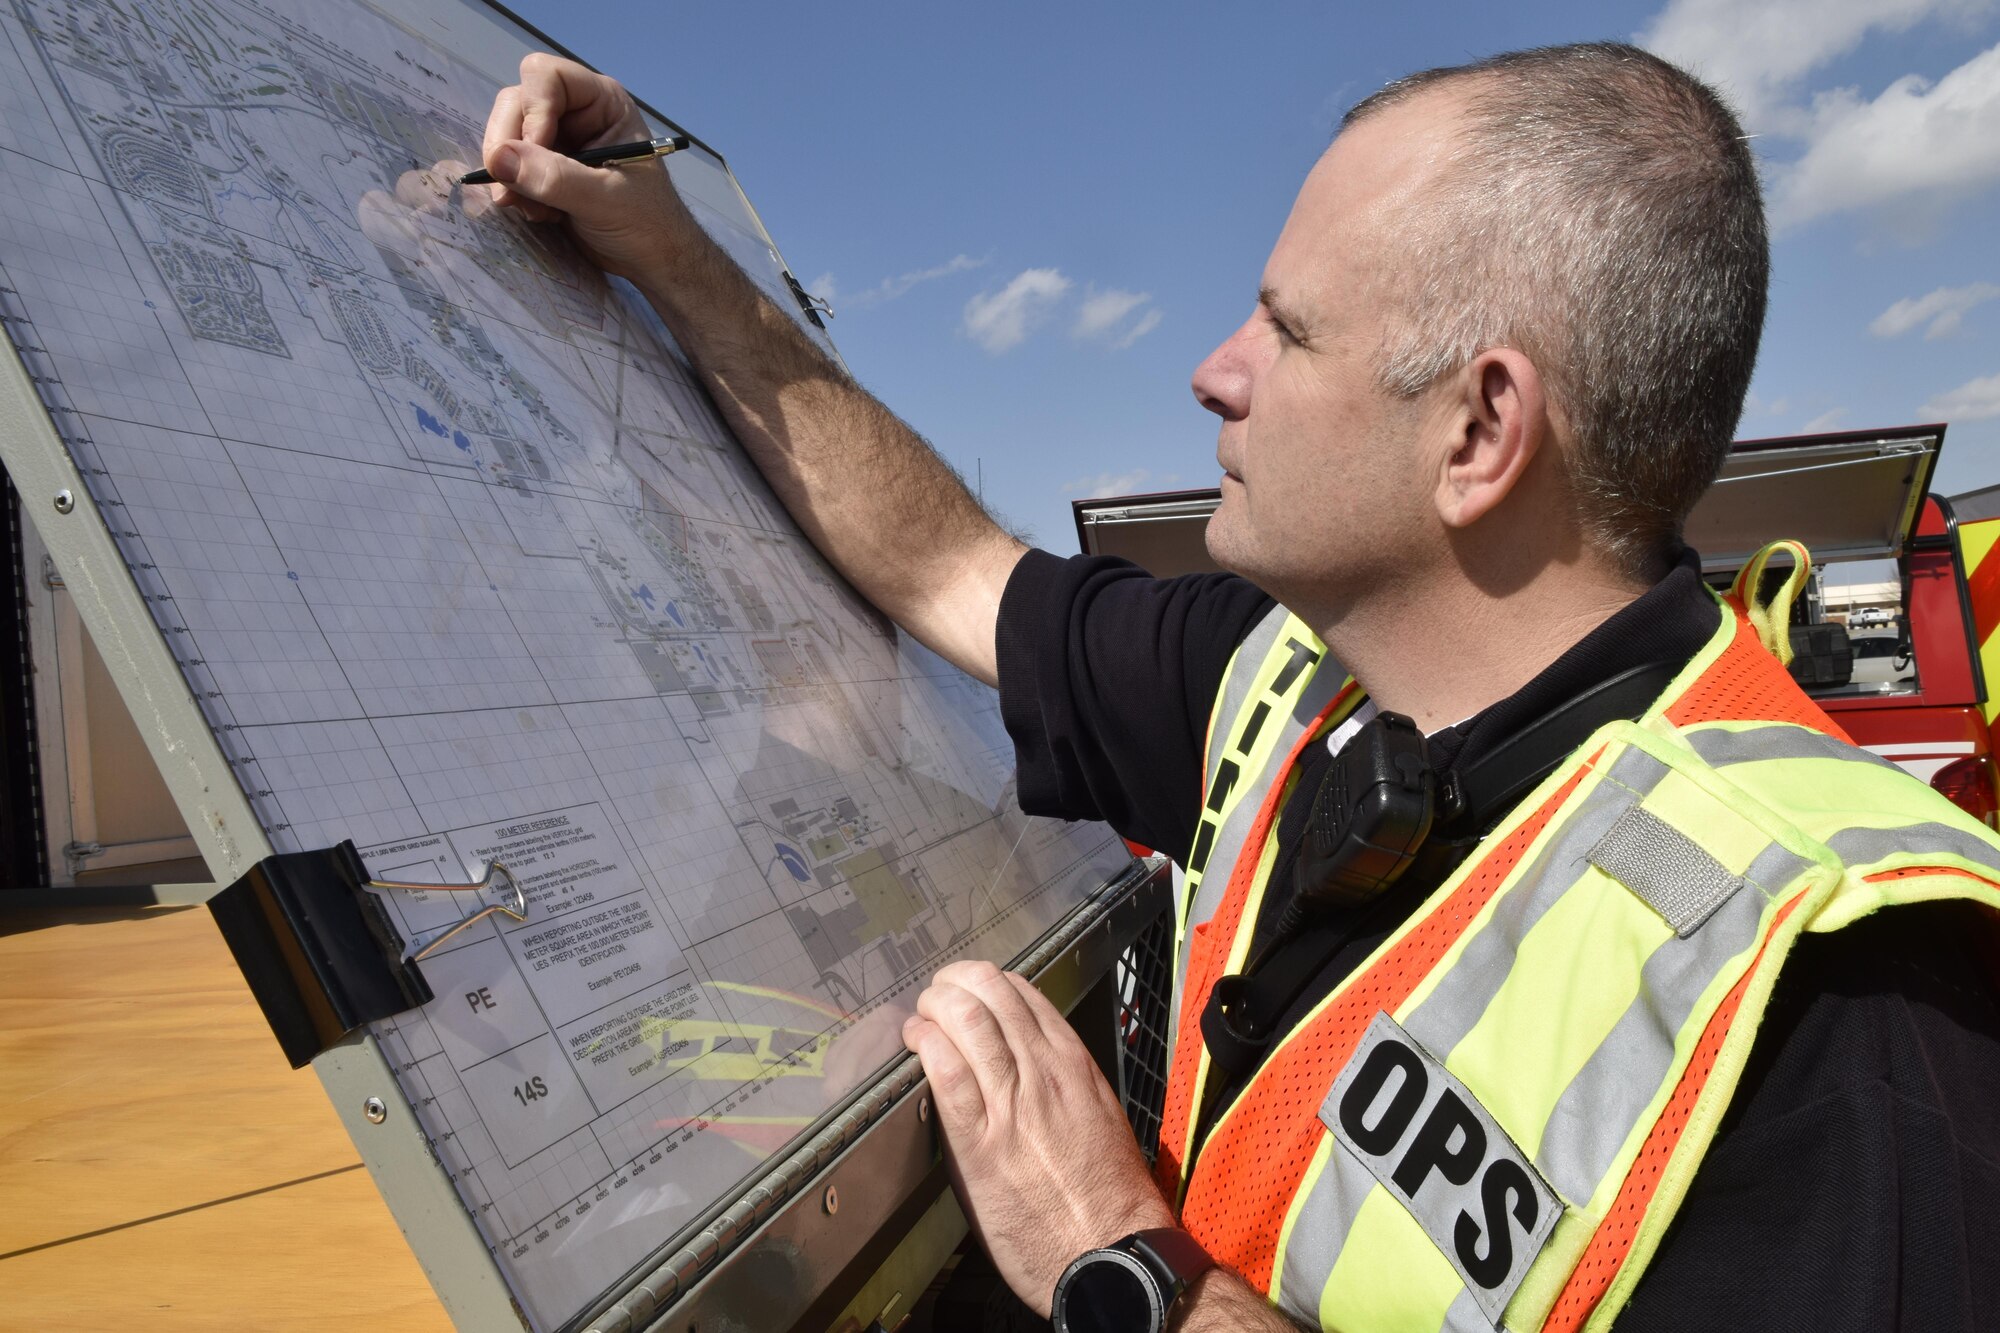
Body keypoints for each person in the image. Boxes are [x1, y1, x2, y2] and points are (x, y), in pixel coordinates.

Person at [475, 41, 2000, 1332]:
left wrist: (1122, 1262)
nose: (1216, 370)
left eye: (1285, 327)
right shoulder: (1268, 683)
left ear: (1480, 432)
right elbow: (946, 563)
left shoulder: (1847, 1016)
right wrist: (671, 248)